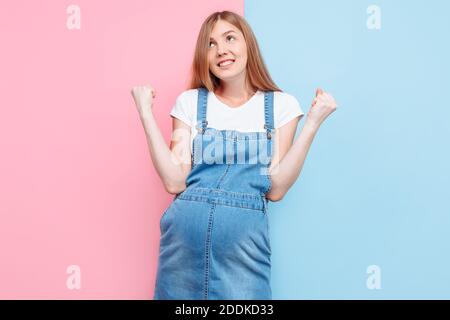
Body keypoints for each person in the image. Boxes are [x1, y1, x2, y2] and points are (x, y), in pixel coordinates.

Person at [131, 10, 337, 300]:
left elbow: (276, 188)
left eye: (230, 38)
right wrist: (145, 114)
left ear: (248, 45)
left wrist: (313, 122)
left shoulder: (281, 106)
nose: (221, 50)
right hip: (181, 249)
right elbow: (175, 181)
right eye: (211, 44)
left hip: (244, 251)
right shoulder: (190, 103)